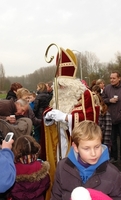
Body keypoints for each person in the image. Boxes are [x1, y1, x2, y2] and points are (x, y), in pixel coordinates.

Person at [43, 44, 99, 200]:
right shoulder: (58, 95)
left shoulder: (85, 94)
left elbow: (90, 118)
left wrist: (67, 117)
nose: (60, 88)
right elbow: (51, 109)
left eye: (62, 85)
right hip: (59, 141)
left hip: (76, 144)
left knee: (74, 175)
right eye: (58, 85)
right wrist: (48, 118)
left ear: (70, 83)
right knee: (60, 170)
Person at [51, 120, 121, 200]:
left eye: (97, 147)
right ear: (75, 147)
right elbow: (56, 196)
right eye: (86, 148)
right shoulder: (62, 167)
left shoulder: (113, 175)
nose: (93, 153)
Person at [7, 135, 50, 200]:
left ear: (16, 150)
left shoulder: (13, 170)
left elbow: (10, 190)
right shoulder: (42, 167)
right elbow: (46, 184)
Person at [92, 85, 112, 151]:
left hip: (103, 140)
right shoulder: (91, 112)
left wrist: (105, 145)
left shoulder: (104, 112)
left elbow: (108, 129)